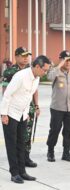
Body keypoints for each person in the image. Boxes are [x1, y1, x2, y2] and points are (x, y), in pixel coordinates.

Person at [0, 55, 51, 183]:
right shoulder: (21, 76)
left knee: (21, 143)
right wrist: (4, 114)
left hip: (23, 114)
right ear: (37, 66)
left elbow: (28, 96)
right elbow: (7, 94)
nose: (45, 73)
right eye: (44, 70)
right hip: (10, 113)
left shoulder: (36, 78)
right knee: (12, 144)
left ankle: (22, 171)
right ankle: (14, 173)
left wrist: (27, 113)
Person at [2, 47, 39, 168]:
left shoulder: (32, 71)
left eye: (27, 56)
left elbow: (35, 91)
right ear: (16, 56)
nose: (25, 58)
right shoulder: (10, 72)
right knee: (16, 138)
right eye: (23, 56)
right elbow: (6, 92)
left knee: (26, 135)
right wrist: (4, 112)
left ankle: (26, 157)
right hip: (14, 109)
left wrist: (37, 105)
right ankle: (17, 162)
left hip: (28, 109)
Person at [46, 50, 70, 162]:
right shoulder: (55, 71)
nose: (68, 62)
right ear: (61, 60)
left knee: (68, 131)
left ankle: (66, 153)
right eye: (65, 60)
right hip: (57, 107)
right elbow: (49, 78)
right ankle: (50, 151)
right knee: (55, 130)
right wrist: (59, 64)